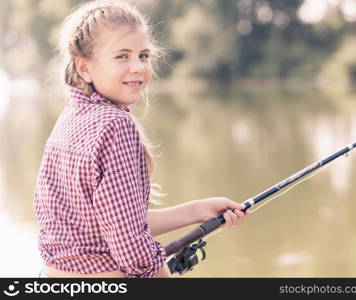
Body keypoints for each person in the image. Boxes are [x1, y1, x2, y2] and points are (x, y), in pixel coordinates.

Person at [33, 0, 249, 278]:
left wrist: (198, 210)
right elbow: (132, 247)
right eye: (122, 56)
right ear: (84, 68)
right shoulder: (115, 126)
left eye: (144, 56)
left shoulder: (70, 118)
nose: (137, 67)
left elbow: (110, 224)